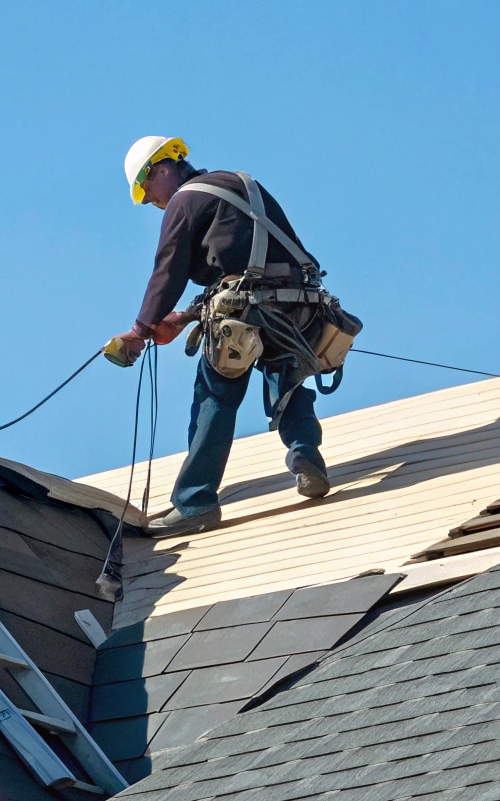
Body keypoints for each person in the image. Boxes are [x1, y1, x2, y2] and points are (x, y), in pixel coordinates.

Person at [104, 136, 333, 538]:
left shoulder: (183, 201)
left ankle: (196, 503)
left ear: (160, 171)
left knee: (215, 394)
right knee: (286, 380)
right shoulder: (242, 185)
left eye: (147, 193)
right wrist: (186, 317)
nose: (150, 203)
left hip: (245, 312)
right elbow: (245, 263)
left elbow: (167, 272)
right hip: (296, 302)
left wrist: (140, 332)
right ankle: (306, 457)